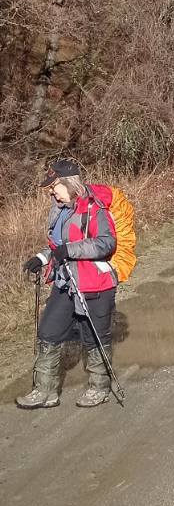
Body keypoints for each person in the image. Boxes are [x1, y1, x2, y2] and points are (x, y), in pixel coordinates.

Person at [17, 159, 118, 410]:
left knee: (94, 336)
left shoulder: (95, 209)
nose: (52, 192)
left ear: (69, 183)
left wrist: (70, 250)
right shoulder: (59, 210)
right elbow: (56, 245)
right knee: (48, 332)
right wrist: (41, 258)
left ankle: (99, 388)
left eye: (54, 187)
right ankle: (44, 391)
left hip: (93, 283)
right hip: (65, 282)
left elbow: (106, 243)